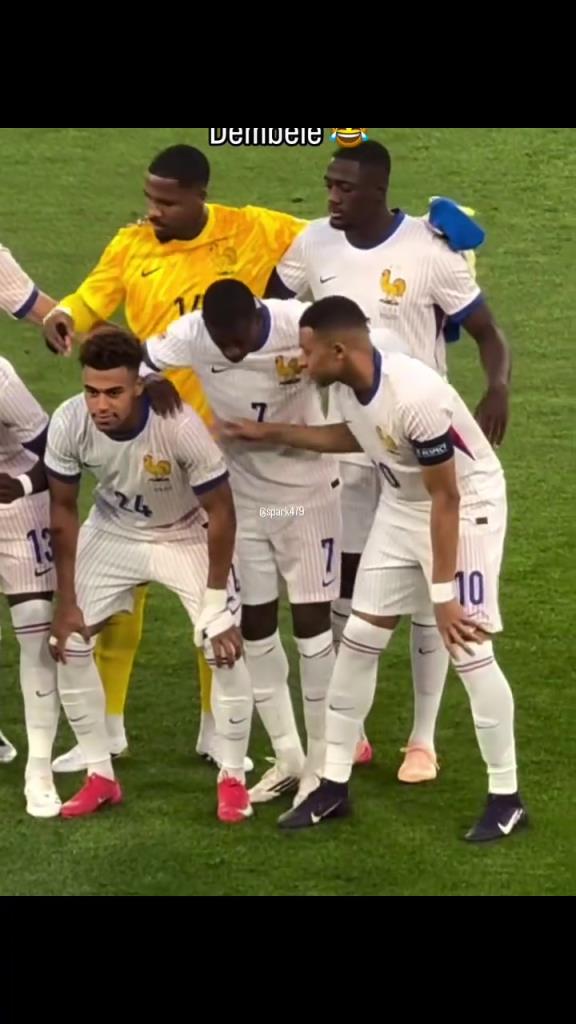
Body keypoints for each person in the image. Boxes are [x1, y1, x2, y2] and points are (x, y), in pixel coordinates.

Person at [42, 144, 305, 772]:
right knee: (122, 590)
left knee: (216, 594)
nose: (152, 210)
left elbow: (328, 239)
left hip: (219, 446)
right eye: (149, 198)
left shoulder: (251, 228)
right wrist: (64, 315)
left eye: (165, 201)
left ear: (199, 197)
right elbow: (92, 296)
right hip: (146, 436)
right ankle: (107, 729)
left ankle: (217, 731)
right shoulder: (133, 245)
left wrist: (424, 235)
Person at [227, 297, 526, 843]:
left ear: (339, 351)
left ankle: (507, 798)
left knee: (468, 646)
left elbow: (447, 498)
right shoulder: (350, 385)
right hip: (402, 503)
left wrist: (442, 596)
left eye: (309, 352)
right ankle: (332, 786)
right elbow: (359, 436)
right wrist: (272, 434)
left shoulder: (417, 396)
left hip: (467, 509)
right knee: (360, 638)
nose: (301, 362)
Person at [266, 140, 511, 783]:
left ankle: (422, 740)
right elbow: (276, 312)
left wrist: (498, 387)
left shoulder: (428, 252)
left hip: (423, 447)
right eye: (329, 184)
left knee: (435, 597)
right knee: (350, 585)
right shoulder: (313, 243)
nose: (331, 196)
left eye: (344, 187)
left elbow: (486, 330)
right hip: (356, 443)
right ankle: (351, 735)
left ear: (378, 190)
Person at [143, 279, 345, 806]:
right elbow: (137, 360)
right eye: (221, 341)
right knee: (255, 622)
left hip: (304, 500)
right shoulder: (191, 334)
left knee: (311, 623)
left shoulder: (296, 325)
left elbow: (361, 347)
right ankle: (289, 758)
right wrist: (151, 380)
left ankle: (324, 763)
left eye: (238, 338)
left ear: (257, 316)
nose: (231, 350)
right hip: (245, 505)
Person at [45, 328, 254, 822]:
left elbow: (222, 512)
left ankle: (232, 780)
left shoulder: (177, 426)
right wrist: (67, 601)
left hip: (185, 533)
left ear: (139, 384)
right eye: (91, 391)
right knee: (68, 642)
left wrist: (216, 603)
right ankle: (100, 775)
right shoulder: (70, 421)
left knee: (222, 644)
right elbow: (63, 511)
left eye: (113, 392)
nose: (100, 405)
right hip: (114, 530)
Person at [0, 243, 58, 765]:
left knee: (37, 625)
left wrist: (20, 486)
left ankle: (39, 767)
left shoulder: (1, 379)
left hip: (16, 508)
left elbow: (54, 454)